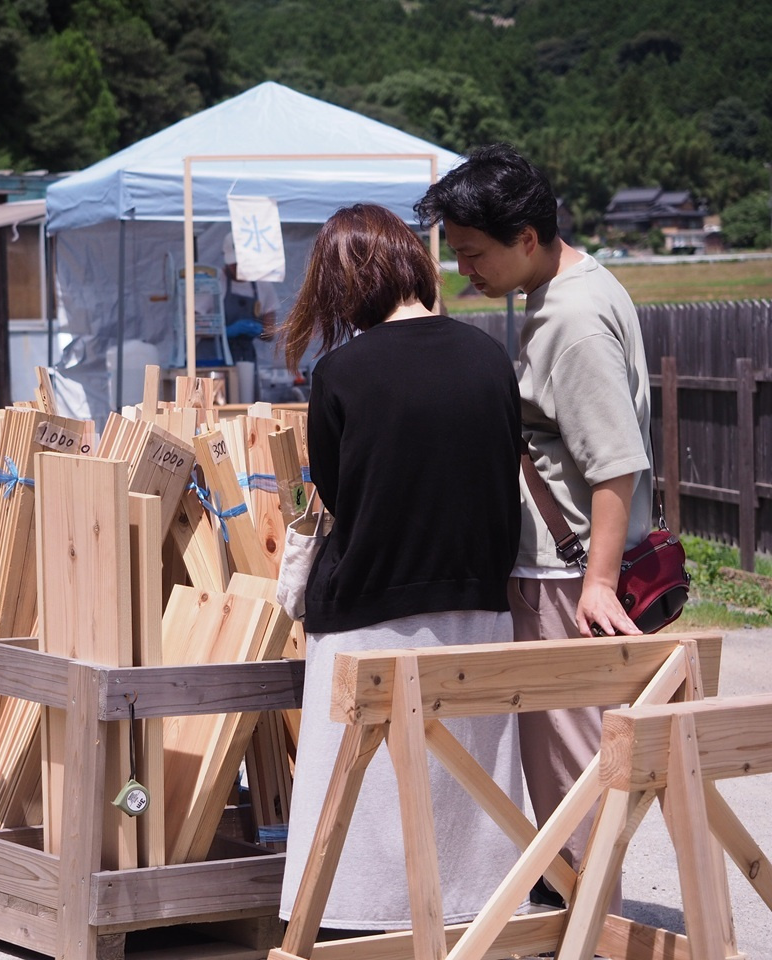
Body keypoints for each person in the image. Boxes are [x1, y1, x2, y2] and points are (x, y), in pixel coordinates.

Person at [415, 143, 653, 902]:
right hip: (568, 566)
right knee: (570, 765)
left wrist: (598, 583)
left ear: (525, 237)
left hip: (566, 574)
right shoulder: (573, 291)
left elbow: (616, 462)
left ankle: (582, 928)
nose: (464, 272)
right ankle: (576, 913)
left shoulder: (574, 321)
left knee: (571, 768)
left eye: (473, 254)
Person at [277, 203, 524, 932]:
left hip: (367, 619)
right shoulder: (489, 358)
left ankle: (348, 929)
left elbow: (335, 490)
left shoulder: (342, 372)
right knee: (468, 799)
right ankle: (475, 924)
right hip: (480, 613)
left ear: (345, 281)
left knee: (356, 810)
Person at [221, 232, 277, 365]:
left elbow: (270, 333)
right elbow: (195, 327)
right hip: (217, 356)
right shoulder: (216, 283)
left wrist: (260, 330)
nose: (239, 268)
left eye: (243, 263)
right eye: (234, 264)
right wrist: (226, 331)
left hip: (247, 358)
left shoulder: (263, 286)